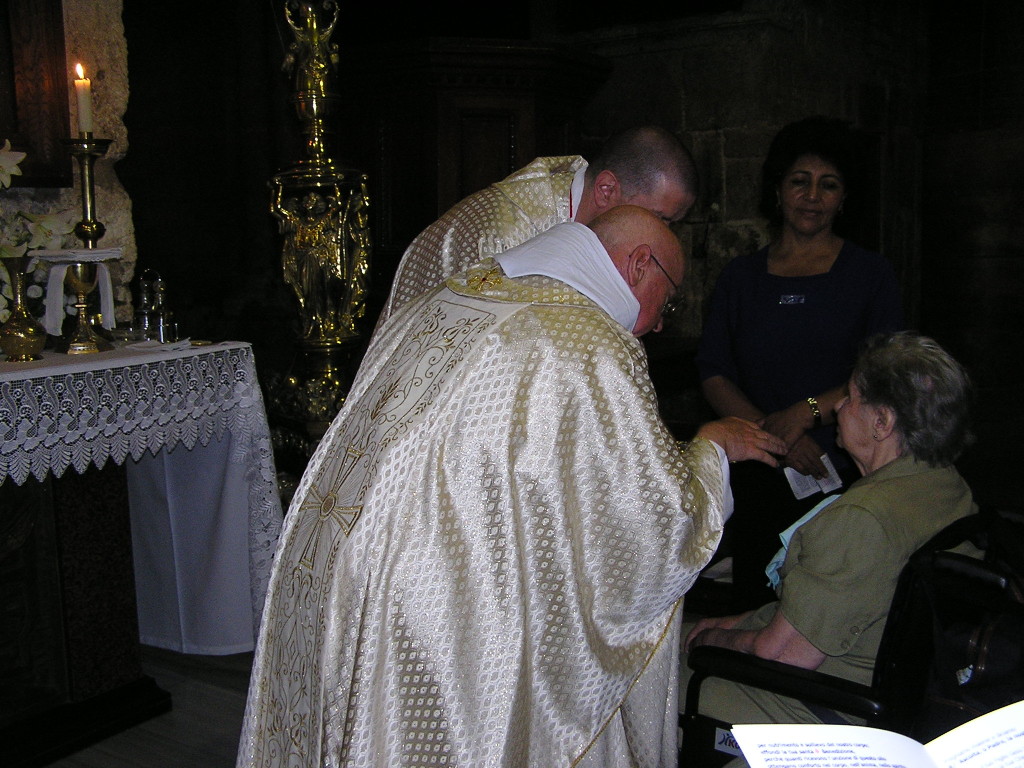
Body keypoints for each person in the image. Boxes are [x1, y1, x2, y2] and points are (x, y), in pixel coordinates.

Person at [237, 206, 786, 767]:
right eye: (666, 302)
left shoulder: (449, 296)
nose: (661, 324)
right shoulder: (592, 344)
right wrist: (711, 448)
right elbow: (650, 525)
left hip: (342, 561)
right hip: (442, 603)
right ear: (639, 263)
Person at [682, 331, 977, 740]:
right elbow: (835, 605)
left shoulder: (862, 520)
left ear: (882, 422)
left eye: (851, 397)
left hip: (821, 705)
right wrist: (738, 622)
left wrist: (711, 640)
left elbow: (780, 654)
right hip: (892, 687)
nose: (837, 407)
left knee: (647, 683)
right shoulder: (947, 485)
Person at [694, 116, 905, 610]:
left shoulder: (870, 274)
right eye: (799, 182)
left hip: (843, 462)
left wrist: (806, 413)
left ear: (844, 198)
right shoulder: (741, 277)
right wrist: (774, 435)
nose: (812, 196)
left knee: (829, 601)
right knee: (755, 602)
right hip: (757, 463)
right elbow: (713, 371)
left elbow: (883, 370)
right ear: (777, 191)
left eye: (828, 185)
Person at [376, 125, 699, 327]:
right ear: (605, 189)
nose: (664, 235)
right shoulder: (499, 237)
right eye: (659, 218)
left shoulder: (599, 228)